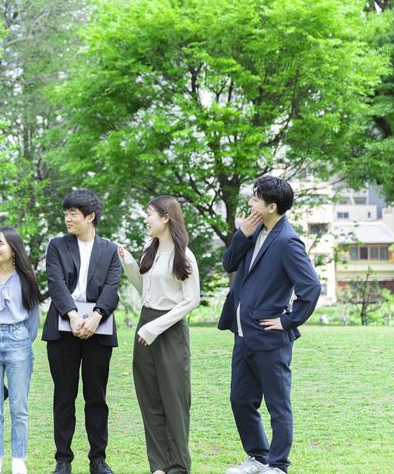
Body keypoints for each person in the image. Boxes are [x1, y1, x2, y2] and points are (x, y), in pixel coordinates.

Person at [219, 176, 321, 474]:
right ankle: (259, 457)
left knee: (278, 406)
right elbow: (228, 264)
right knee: (240, 400)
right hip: (243, 335)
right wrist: (241, 235)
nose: (251, 202)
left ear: (271, 206)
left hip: (270, 338)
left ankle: (278, 465)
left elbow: (311, 287)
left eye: (255, 198)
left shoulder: (287, 241)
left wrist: (288, 320)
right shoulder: (252, 231)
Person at [118, 196, 200, 474]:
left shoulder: (184, 255)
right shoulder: (148, 251)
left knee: (174, 400)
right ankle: (158, 466)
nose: (146, 219)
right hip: (146, 323)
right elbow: (145, 291)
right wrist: (130, 265)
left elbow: (191, 300)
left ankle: (178, 466)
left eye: (149, 214)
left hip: (170, 329)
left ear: (166, 217)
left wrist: (155, 328)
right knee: (149, 398)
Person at [42, 189, 121, 474]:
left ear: (90, 217)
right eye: (66, 213)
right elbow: (56, 283)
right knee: (64, 396)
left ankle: (98, 459)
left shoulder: (110, 250)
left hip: (99, 329)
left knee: (96, 397)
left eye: (73, 213)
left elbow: (112, 287)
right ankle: (63, 460)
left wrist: (96, 316)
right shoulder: (56, 246)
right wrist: (73, 315)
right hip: (63, 330)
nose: (68, 218)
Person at [0, 227, 44, 474]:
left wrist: (22, 338)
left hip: (18, 343)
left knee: (18, 406)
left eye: (0, 243)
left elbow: (33, 318)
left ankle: (18, 459)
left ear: (13, 249)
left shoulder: (26, 280)